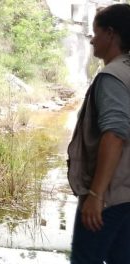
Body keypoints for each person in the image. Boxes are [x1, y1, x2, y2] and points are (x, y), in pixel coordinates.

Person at [67, 4, 130, 264]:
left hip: (109, 200)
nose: (92, 40)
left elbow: (115, 134)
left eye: (96, 32)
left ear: (111, 35)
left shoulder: (112, 76)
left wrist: (95, 196)